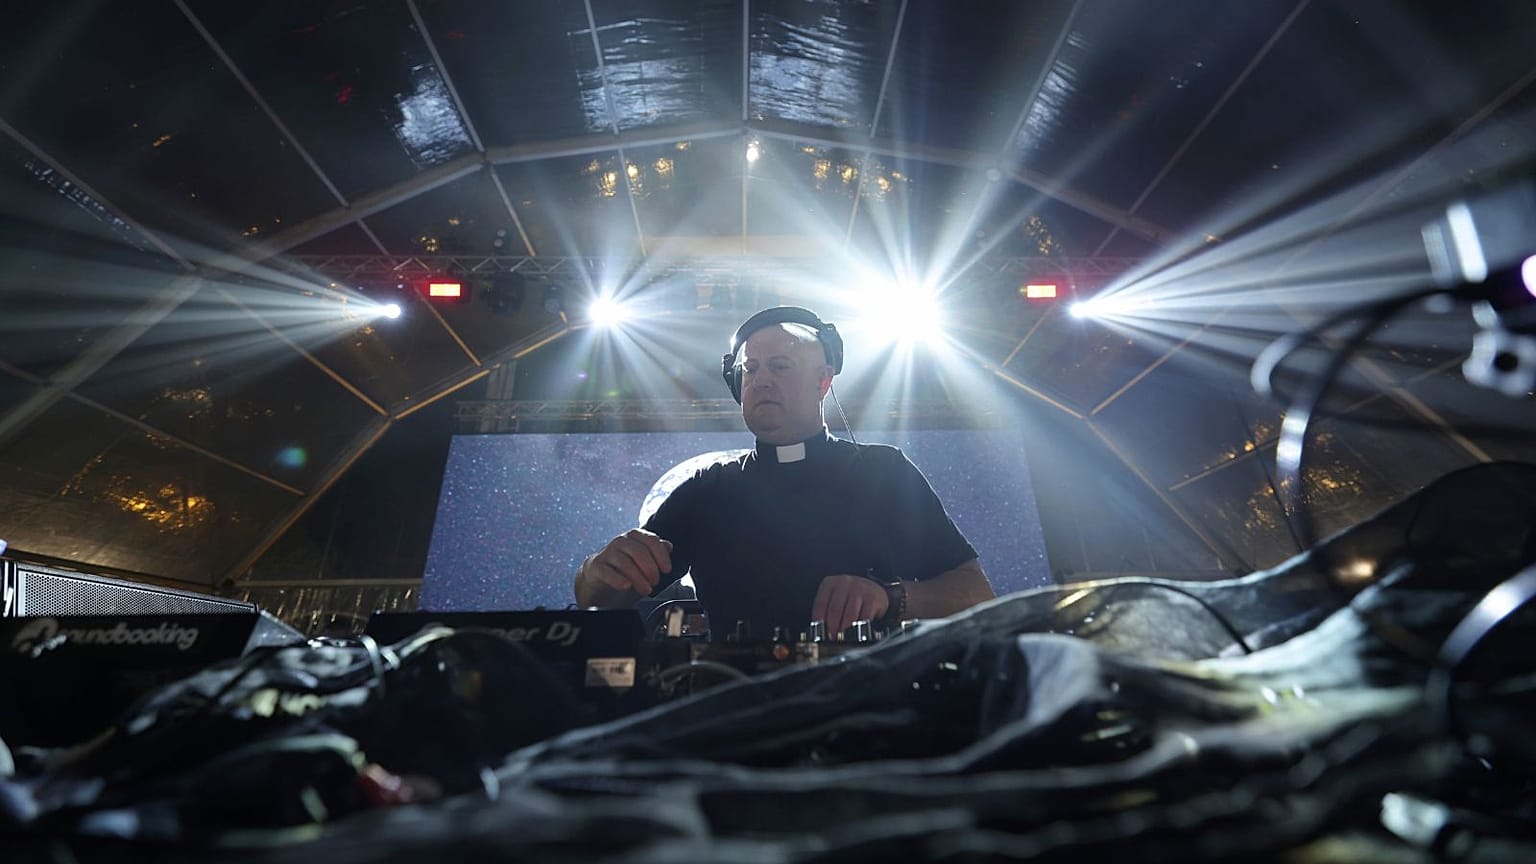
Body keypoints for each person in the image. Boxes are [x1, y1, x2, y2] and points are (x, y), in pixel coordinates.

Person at [574, 306, 994, 638]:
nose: (760, 381)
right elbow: (601, 598)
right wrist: (597, 570)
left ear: (823, 381)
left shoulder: (885, 472)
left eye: (780, 366)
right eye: (750, 369)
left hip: (868, 704)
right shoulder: (706, 490)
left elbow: (976, 595)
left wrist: (891, 597)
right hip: (731, 704)